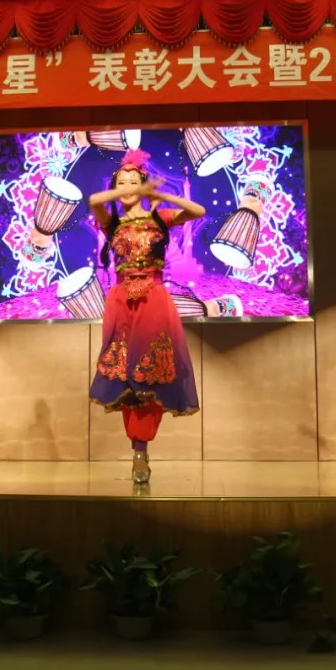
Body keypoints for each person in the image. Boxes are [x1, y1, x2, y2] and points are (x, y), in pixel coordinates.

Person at [88, 150, 204, 484]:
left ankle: (141, 449)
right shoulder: (111, 223)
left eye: (133, 182)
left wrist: (160, 196)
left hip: (153, 297)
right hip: (121, 300)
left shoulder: (160, 218)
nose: (127, 188)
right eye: (121, 183)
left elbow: (198, 211)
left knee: (150, 372)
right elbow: (94, 200)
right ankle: (138, 450)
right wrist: (131, 189)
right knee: (125, 375)